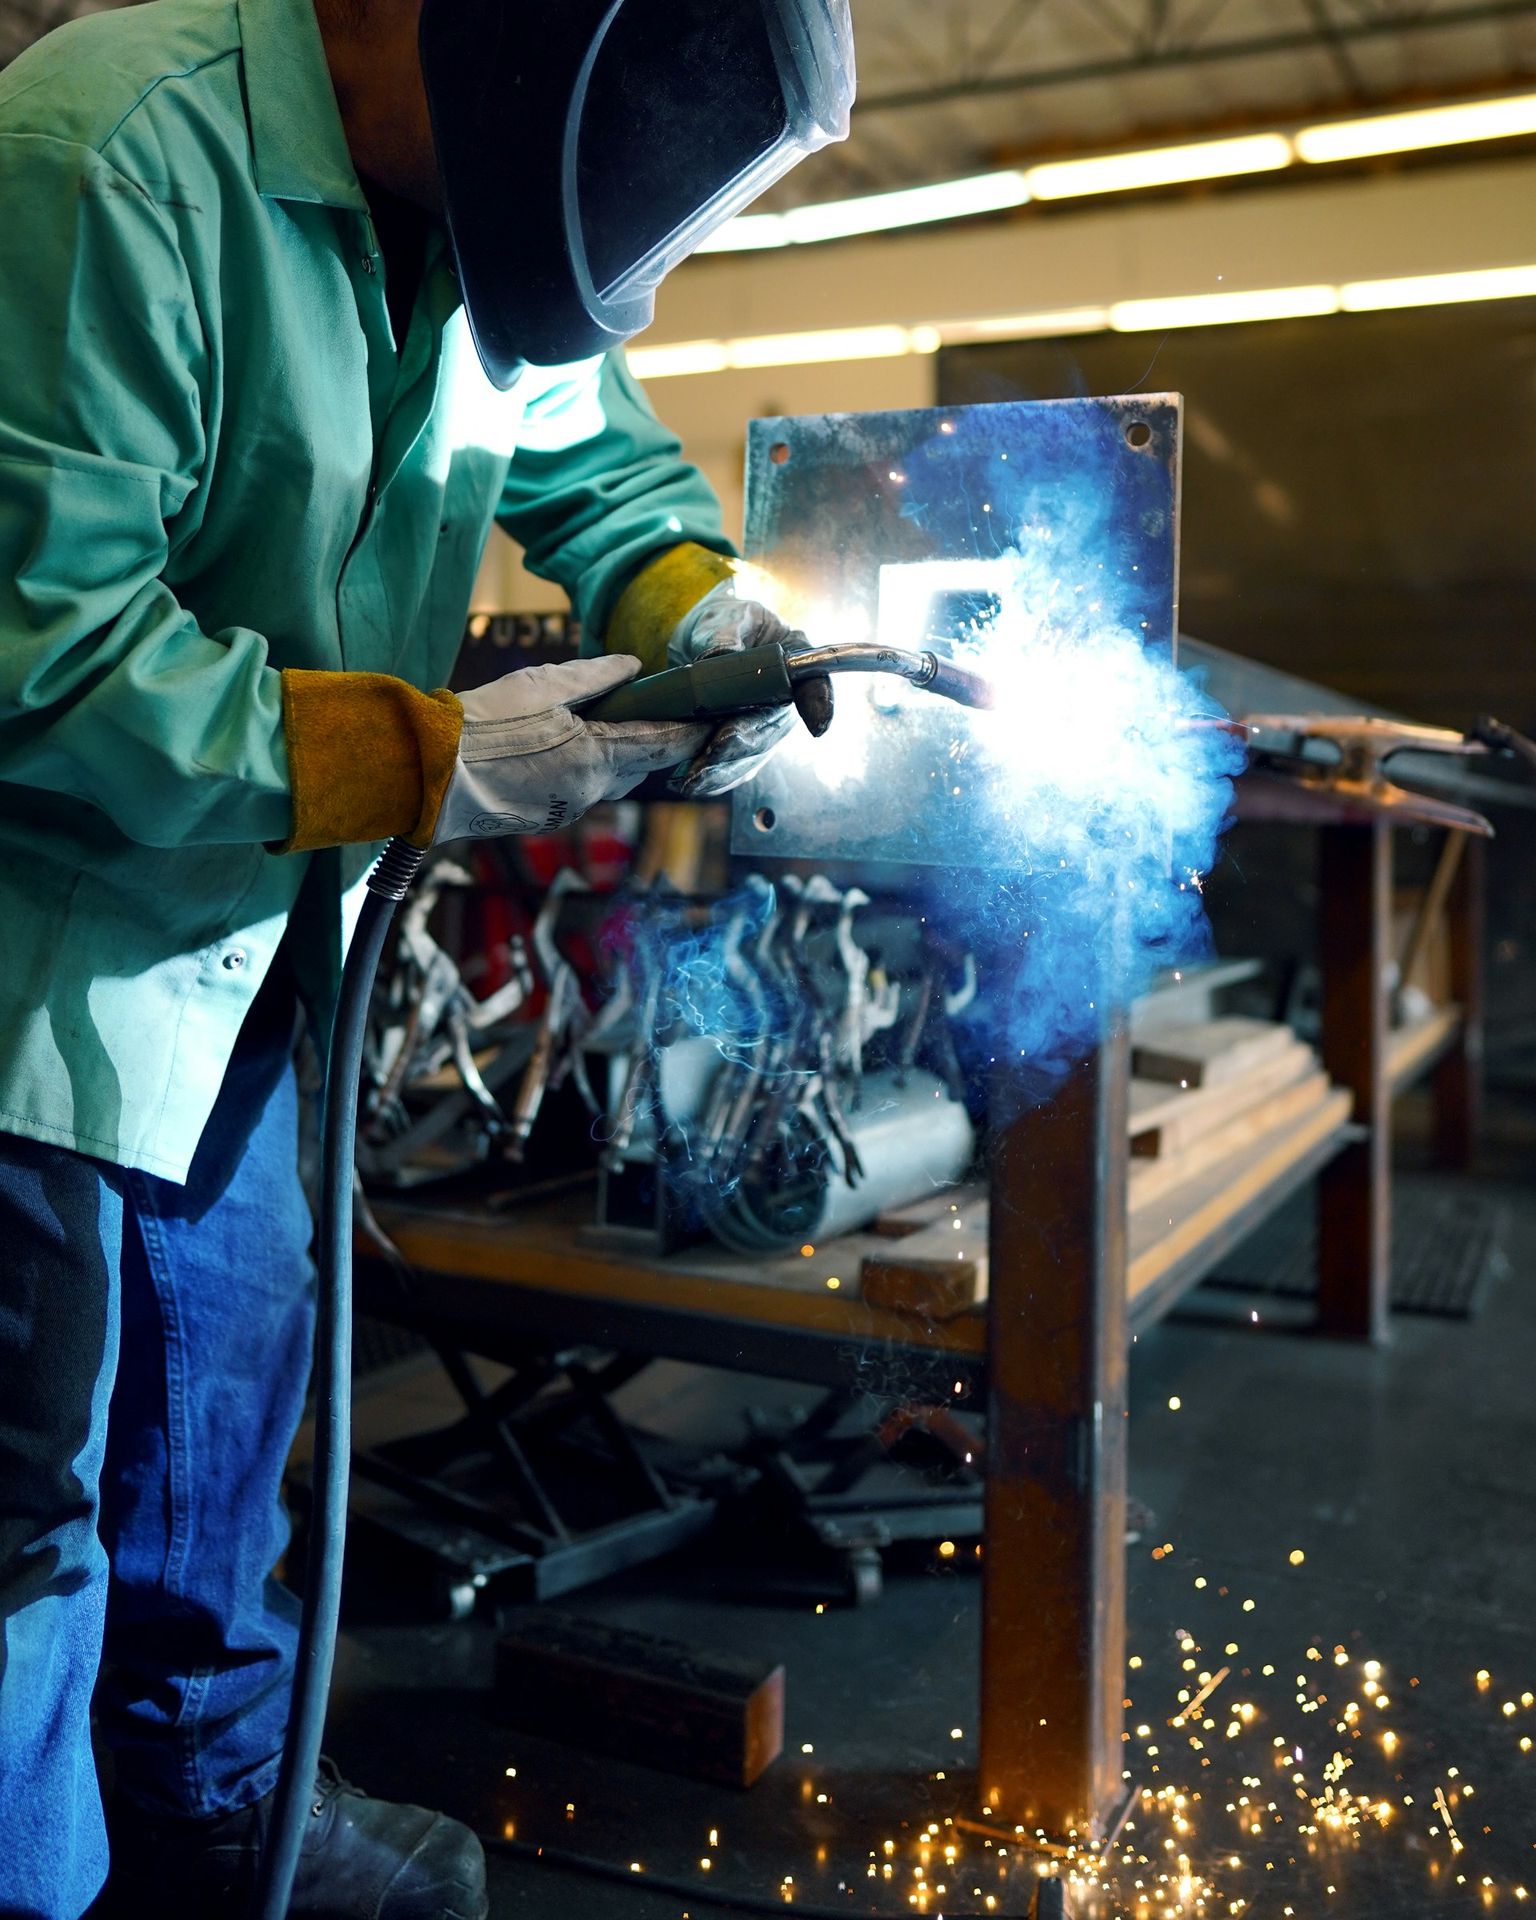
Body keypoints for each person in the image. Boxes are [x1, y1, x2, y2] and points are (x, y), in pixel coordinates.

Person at [0, 0, 854, 1914]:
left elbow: (590, 458)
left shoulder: (476, 219)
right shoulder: (107, 161)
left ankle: (207, 1809)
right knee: (22, 1496)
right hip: (28, 958)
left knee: (225, 1392)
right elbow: (39, 658)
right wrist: (438, 760)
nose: (490, 270)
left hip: (238, 933)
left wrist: (697, 599)